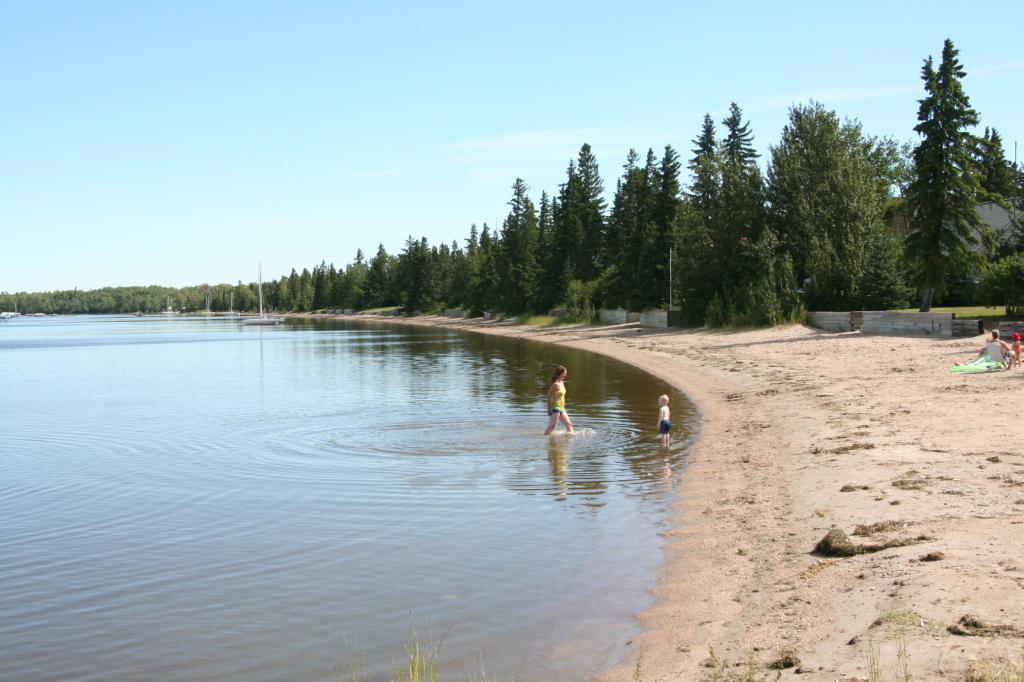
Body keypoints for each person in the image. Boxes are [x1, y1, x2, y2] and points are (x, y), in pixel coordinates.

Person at [544, 365, 574, 435]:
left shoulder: (562, 383)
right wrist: (549, 410)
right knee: (552, 426)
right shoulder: (555, 384)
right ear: (559, 374)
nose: (565, 375)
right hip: (556, 407)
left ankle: (569, 442)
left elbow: (562, 396)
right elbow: (549, 396)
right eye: (564, 374)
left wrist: (564, 404)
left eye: (566, 374)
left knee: (569, 425)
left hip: (562, 408)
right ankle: (545, 438)